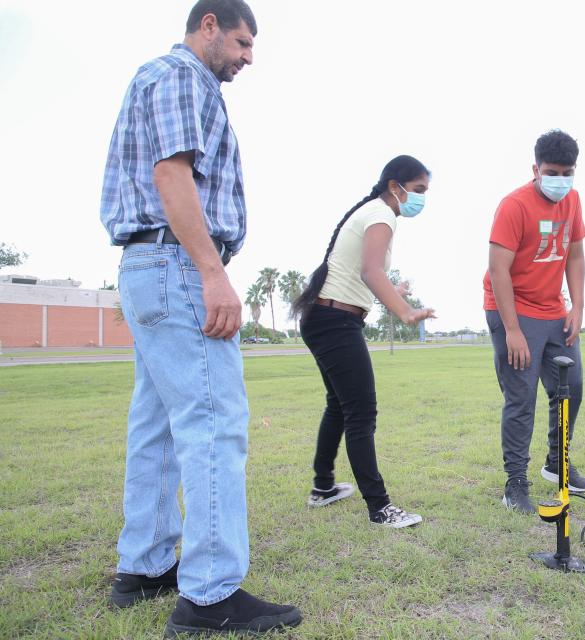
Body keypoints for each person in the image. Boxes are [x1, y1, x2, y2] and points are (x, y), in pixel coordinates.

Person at [99, 1, 301, 636]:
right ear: (208, 25)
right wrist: (213, 272)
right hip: (178, 264)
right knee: (214, 418)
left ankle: (145, 566)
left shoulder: (152, 76)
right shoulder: (184, 76)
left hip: (148, 265)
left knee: (157, 422)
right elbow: (171, 174)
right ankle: (210, 595)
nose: (247, 58)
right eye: (241, 43)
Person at [291, 155, 435, 529]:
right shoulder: (382, 214)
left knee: (339, 406)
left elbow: (367, 274)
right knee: (361, 412)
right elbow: (370, 272)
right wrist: (404, 310)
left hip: (327, 318)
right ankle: (380, 507)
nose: (421, 199)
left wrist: (394, 289)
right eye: (418, 191)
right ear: (395, 186)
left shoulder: (373, 211)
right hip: (335, 321)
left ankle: (323, 487)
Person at [483, 130, 585, 514]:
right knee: (521, 396)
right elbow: (498, 270)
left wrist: (577, 307)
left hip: (553, 310)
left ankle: (556, 462)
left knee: (571, 387)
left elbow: (575, 255)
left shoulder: (573, 199)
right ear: (536, 169)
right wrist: (512, 330)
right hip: (512, 309)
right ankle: (515, 483)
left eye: (567, 172)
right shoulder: (514, 205)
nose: (560, 179)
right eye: (551, 172)